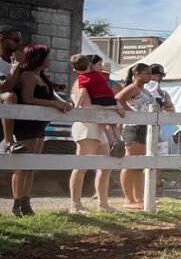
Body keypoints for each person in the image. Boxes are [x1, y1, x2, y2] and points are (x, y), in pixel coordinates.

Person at [8, 44, 73, 216]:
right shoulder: (28, 76)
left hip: (39, 125)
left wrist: (63, 102)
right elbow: (28, 99)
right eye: (47, 56)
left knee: (31, 166)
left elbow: (53, 95)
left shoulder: (42, 77)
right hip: (26, 125)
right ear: (39, 58)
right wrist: (54, 104)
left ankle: (26, 202)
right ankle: (17, 203)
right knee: (22, 166)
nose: (50, 59)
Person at [67, 53, 122, 213]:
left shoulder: (98, 81)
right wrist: (112, 107)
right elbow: (86, 107)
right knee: (81, 166)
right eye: (98, 66)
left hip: (100, 127)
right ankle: (75, 205)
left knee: (105, 167)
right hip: (87, 127)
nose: (101, 69)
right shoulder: (82, 82)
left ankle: (103, 203)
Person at [114, 63, 156, 210]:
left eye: (150, 73)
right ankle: (128, 199)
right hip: (134, 128)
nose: (149, 76)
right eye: (147, 73)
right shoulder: (133, 88)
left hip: (145, 128)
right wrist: (131, 113)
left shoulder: (145, 90)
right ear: (137, 74)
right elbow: (118, 98)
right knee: (130, 164)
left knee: (139, 167)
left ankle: (138, 198)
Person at [0, 27, 25, 153]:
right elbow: (4, 87)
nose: (19, 44)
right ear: (2, 38)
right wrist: (16, 67)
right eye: (15, 40)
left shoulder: (14, 60)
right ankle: (9, 142)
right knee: (9, 96)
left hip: (8, 115)